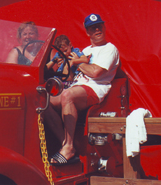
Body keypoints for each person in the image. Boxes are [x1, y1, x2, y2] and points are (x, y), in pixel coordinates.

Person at [44, 13, 120, 165]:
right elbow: (70, 76)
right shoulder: (84, 51)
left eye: (99, 26)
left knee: (67, 95)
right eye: (92, 28)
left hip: (95, 88)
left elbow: (95, 72)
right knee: (42, 101)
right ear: (87, 32)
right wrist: (62, 63)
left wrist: (77, 62)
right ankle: (65, 143)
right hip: (76, 86)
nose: (97, 30)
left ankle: (68, 147)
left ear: (104, 28)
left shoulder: (109, 49)